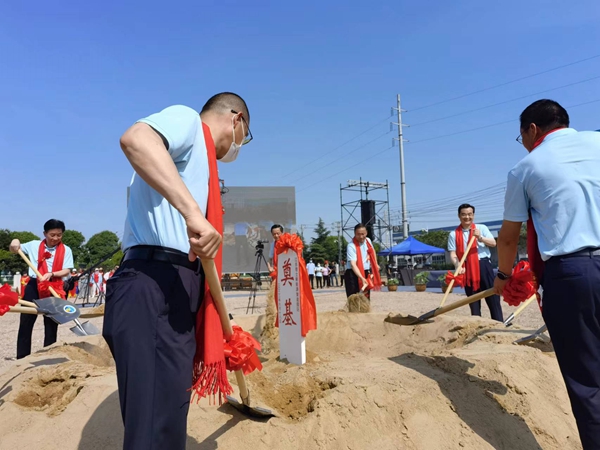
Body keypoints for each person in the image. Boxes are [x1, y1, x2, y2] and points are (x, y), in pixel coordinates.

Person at [103, 93, 251, 449]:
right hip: (155, 281)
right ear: (237, 120)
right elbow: (136, 139)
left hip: (178, 285)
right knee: (154, 426)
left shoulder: (199, 166)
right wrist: (192, 213)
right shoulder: (187, 121)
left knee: (166, 417)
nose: (239, 146)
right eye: (246, 136)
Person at [494, 99, 600, 449]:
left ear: (532, 130)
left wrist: (504, 276)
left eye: (521, 136)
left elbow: (508, 237)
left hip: (574, 275)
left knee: (588, 382)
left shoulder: (526, 167)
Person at [9, 219, 74, 359]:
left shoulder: (66, 249)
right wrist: (14, 242)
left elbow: (67, 270)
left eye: (59, 235)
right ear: (44, 233)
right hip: (34, 284)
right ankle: (22, 357)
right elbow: (15, 248)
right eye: (52, 235)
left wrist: (52, 274)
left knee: (51, 323)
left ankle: (48, 355)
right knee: (26, 320)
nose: (55, 238)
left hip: (54, 285)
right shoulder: (34, 245)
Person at [447, 204, 503, 321]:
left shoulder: (481, 228)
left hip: (483, 266)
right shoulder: (453, 234)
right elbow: (453, 254)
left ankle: (499, 323)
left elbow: (493, 243)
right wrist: (458, 265)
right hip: (467, 268)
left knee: (493, 298)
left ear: (473, 215)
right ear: (459, 216)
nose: (467, 217)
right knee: (473, 301)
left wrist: (480, 237)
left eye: (469, 214)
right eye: (464, 214)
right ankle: (476, 325)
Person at [344, 224, 381, 300]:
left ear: (366, 233)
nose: (361, 237)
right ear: (355, 234)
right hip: (353, 273)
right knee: (353, 299)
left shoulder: (368, 240)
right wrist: (361, 278)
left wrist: (376, 263)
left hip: (365, 271)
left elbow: (372, 251)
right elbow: (353, 264)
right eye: (358, 234)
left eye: (362, 234)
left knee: (366, 297)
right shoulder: (351, 246)